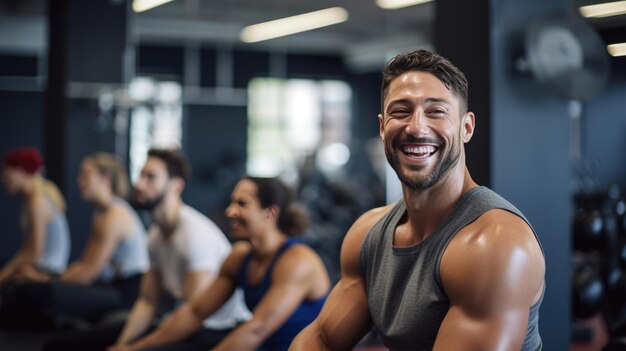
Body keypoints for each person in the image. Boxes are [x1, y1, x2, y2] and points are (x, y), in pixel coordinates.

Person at [290, 49, 546, 350]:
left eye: (436, 111)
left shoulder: (493, 243)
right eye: (401, 111)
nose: (416, 127)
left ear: (466, 128)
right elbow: (322, 339)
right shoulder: (368, 235)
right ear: (383, 127)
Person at [43, 148, 251, 351]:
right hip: (180, 323)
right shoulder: (155, 235)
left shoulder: (194, 235)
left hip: (212, 331)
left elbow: (192, 317)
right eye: (141, 175)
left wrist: (134, 348)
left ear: (176, 186)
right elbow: (147, 302)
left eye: (150, 177)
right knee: (58, 346)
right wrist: (122, 344)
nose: (140, 184)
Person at [110, 176, 331, 351]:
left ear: (270, 213)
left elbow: (256, 329)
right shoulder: (240, 257)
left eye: (242, 204)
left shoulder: (298, 261)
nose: (230, 211)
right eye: (232, 202)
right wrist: (134, 347)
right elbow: (195, 313)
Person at [0, 152, 149, 329]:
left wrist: (45, 279)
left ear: (106, 179)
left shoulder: (115, 215)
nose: (79, 181)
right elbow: (84, 264)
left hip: (126, 293)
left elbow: (88, 274)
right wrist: (50, 278)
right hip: (110, 285)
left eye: (85, 176)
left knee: (32, 293)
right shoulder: (100, 213)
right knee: (27, 291)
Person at [0, 147, 70, 284]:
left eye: (7, 170)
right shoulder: (37, 198)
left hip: (47, 275)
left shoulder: (37, 201)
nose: (4, 177)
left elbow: (32, 255)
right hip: (45, 271)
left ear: (23, 171)